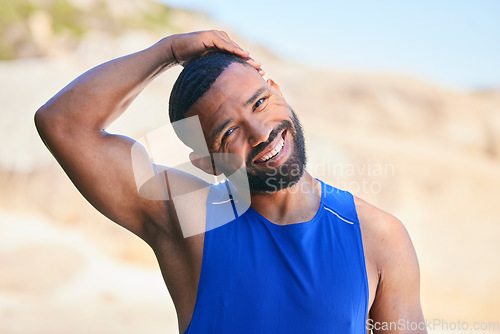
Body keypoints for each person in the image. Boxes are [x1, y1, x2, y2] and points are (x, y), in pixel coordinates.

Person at [35, 30, 427, 333]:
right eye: (229, 134)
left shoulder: (379, 236)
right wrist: (167, 51)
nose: (260, 133)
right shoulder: (189, 221)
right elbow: (63, 124)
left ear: (278, 92)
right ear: (206, 161)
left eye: (259, 102)